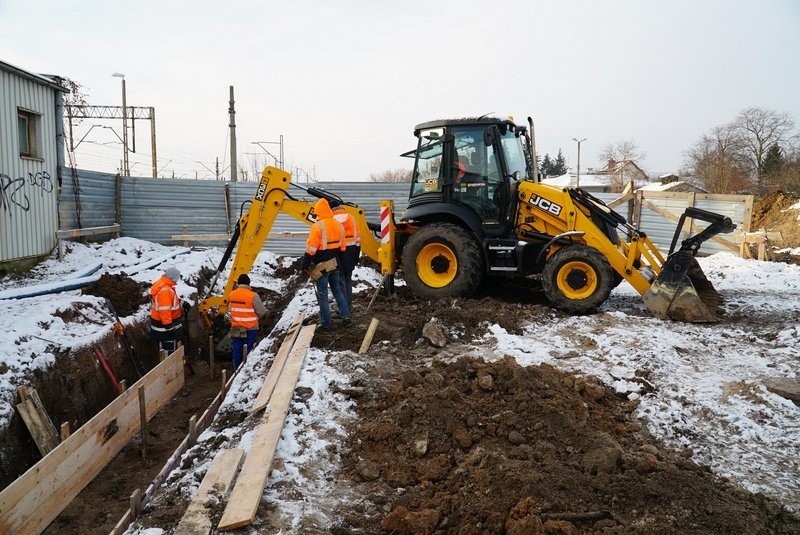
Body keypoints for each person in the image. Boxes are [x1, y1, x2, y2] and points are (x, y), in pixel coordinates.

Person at [301, 198, 351, 331]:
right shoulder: (338, 224)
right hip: (335, 264)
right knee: (337, 290)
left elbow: (311, 249)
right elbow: (343, 247)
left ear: (318, 212)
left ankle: (326, 323)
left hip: (322, 266)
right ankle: (346, 316)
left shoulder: (317, 226)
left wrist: (304, 265)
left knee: (322, 294)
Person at [227, 273, 267, 371]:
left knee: (237, 350)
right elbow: (262, 312)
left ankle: (236, 369)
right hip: (250, 328)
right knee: (248, 350)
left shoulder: (231, 294)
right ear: (248, 284)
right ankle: (245, 371)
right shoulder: (252, 295)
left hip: (236, 327)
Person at [331, 201, 361, 310]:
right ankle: (348, 306)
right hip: (352, 252)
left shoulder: (332, 220)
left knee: (340, 282)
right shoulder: (352, 218)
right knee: (348, 280)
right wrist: (356, 255)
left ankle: (343, 309)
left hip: (339, 253)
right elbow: (358, 238)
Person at [149, 266, 184, 354]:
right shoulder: (166, 290)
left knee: (165, 347)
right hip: (164, 328)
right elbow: (164, 310)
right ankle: (168, 364)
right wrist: (169, 326)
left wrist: (182, 303)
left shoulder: (163, 285)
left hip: (161, 325)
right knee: (168, 349)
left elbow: (169, 303)